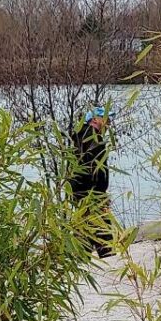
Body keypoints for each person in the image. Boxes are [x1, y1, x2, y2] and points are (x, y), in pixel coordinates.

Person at [67, 107, 111, 250]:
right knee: (101, 227)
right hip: (92, 191)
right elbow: (97, 169)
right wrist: (101, 192)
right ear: (94, 120)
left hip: (79, 190)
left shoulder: (78, 137)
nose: (109, 122)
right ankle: (105, 255)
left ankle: (81, 254)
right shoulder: (93, 138)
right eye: (105, 118)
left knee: (85, 223)